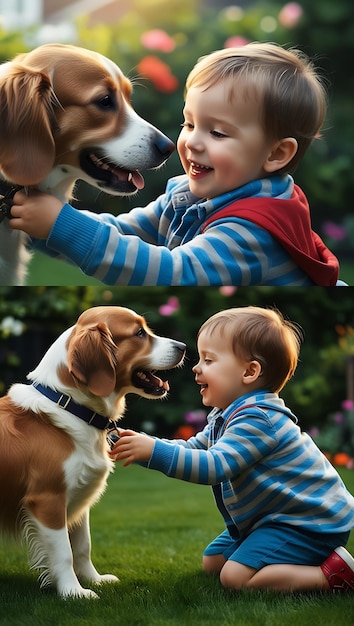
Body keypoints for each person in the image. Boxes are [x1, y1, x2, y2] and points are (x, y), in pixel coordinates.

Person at [9, 43, 339, 286]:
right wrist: (43, 227)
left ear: (276, 155)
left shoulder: (254, 230)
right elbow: (121, 233)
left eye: (218, 132)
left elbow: (173, 273)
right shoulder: (187, 196)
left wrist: (59, 225)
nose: (189, 142)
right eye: (189, 124)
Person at [109, 306, 354, 592]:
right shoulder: (225, 415)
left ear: (250, 372)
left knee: (235, 578)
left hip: (307, 522)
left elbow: (214, 466)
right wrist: (143, 445)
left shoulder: (260, 418)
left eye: (208, 360)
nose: (196, 368)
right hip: (270, 519)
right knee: (213, 561)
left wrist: (153, 451)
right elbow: (194, 448)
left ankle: (334, 576)